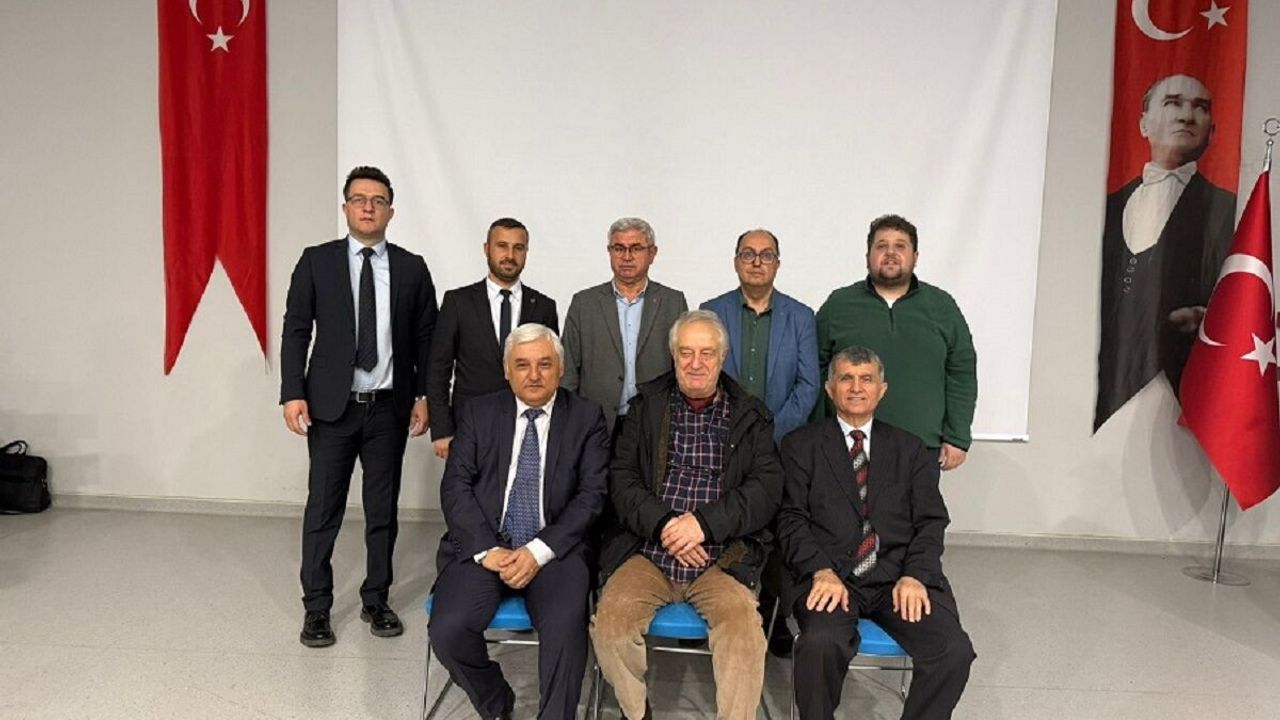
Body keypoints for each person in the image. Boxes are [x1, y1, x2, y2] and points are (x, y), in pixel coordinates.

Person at [591, 310, 782, 720]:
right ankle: (636, 713)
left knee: (743, 636)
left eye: (706, 353)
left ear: (722, 357)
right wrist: (665, 526)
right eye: (686, 353)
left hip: (721, 556)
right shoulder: (645, 408)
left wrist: (703, 525)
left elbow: (764, 491)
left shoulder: (751, 415)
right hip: (648, 550)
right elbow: (622, 481)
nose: (696, 363)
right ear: (673, 356)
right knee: (611, 627)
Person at [280, 166, 438, 647]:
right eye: (359, 199)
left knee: (382, 511)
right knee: (323, 510)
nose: (368, 207)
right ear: (346, 207)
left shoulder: (412, 268)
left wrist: (425, 395)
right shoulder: (317, 261)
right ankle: (317, 608)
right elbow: (296, 330)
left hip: (388, 409)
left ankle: (376, 599)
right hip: (332, 409)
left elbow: (427, 338)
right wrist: (292, 391)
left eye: (378, 200)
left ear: (391, 210)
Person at [779, 346, 975, 720]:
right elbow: (790, 519)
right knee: (820, 645)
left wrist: (915, 575)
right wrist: (820, 570)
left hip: (897, 577)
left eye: (866, 379)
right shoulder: (800, 445)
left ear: (881, 390)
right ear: (829, 388)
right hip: (831, 577)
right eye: (846, 378)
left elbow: (931, 521)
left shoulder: (910, 449)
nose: (856, 388)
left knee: (952, 651)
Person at [428, 324, 610, 720]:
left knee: (565, 629)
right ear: (506, 370)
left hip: (555, 548)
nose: (534, 375)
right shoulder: (478, 412)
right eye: (523, 365)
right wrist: (486, 550)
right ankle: (496, 700)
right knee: (448, 630)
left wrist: (538, 550)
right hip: (487, 545)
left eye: (545, 364)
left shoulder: (586, 417)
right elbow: (455, 487)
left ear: (560, 368)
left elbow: (592, 496)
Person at [701, 227, 819, 657]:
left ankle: (774, 615)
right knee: (720, 523)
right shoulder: (711, 311)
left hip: (779, 445)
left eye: (766, 254)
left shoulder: (800, 317)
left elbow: (808, 385)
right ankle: (707, 609)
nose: (756, 261)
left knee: (777, 533)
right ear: (736, 261)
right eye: (748, 254)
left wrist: (768, 434)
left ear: (777, 264)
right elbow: (703, 377)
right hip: (720, 443)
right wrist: (736, 434)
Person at [1095, 73, 1237, 430]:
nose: (1186, 116)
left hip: (1183, 388)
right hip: (1110, 381)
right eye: (1173, 103)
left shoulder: (1228, 212)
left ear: (1212, 132)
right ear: (1143, 124)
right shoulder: (1107, 207)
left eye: (1199, 108)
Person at [814, 214, 976, 471]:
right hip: (850, 443)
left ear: (915, 256)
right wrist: (818, 432)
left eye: (900, 246)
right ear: (868, 256)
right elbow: (816, 369)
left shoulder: (942, 306)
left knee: (917, 502)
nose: (890, 253)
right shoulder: (839, 304)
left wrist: (957, 436)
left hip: (921, 446)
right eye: (881, 246)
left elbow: (961, 371)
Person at [426, 217, 558, 460]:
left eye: (518, 248)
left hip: (528, 426)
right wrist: (441, 429)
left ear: (526, 253)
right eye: (502, 246)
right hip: (468, 426)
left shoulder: (543, 306)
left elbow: (551, 370)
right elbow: (438, 368)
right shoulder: (458, 302)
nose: (510, 255)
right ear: (486, 249)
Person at [561, 217, 688, 433]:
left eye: (636, 248)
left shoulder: (673, 302)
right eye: (619, 248)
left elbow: (682, 366)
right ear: (609, 252)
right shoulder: (584, 303)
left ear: (652, 253)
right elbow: (568, 371)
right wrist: (568, 423)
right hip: (595, 422)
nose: (627, 257)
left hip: (655, 422)